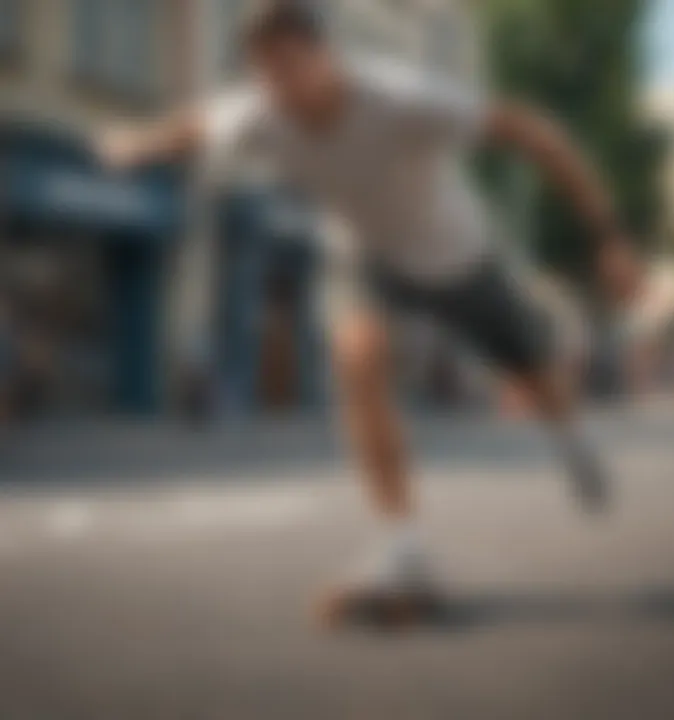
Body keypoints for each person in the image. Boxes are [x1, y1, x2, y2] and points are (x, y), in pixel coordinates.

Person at [96, 2, 640, 615]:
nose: (283, 90)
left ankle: (571, 437)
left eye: (293, 68)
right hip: (371, 260)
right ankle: (401, 543)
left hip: (458, 255)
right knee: (357, 359)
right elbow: (191, 128)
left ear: (327, 56)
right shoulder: (260, 112)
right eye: (267, 75)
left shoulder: (405, 98)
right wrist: (132, 146)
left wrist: (609, 236)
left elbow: (533, 134)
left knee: (534, 373)